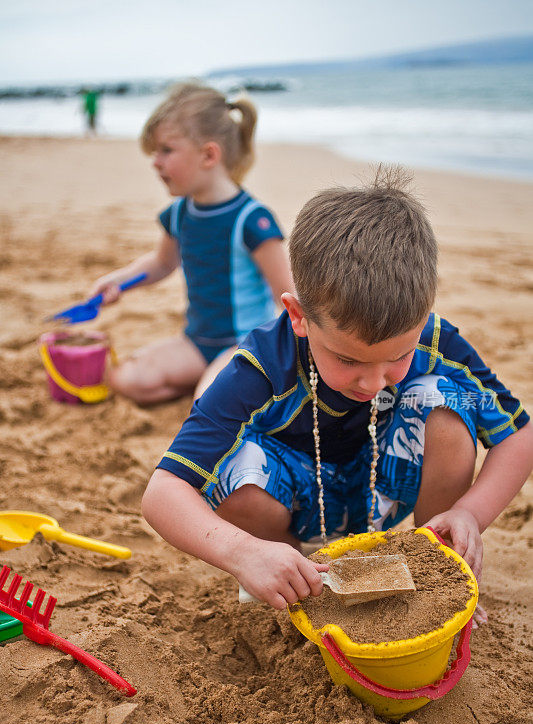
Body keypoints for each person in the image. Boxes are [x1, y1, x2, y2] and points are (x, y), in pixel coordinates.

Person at [142, 168, 533, 620]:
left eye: (396, 358)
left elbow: (519, 436)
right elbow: (163, 491)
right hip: (290, 499)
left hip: (381, 483)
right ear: (298, 316)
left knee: (448, 402)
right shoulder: (262, 366)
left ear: (424, 315)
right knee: (232, 468)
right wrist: (243, 553)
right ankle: (290, 572)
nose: (371, 382)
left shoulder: (434, 337)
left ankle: (434, 570)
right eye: (348, 360)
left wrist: (469, 513)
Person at [90, 82, 292, 404]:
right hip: (197, 343)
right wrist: (118, 281)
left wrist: (284, 356)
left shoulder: (251, 220)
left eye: (166, 150)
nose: (155, 162)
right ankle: (211, 378)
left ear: (209, 154)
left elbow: (286, 296)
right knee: (127, 379)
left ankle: (223, 383)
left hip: (246, 343)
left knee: (210, 401)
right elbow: (161, 263)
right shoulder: (180, 213)